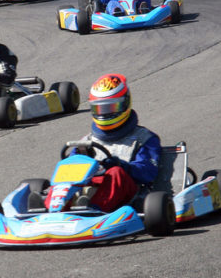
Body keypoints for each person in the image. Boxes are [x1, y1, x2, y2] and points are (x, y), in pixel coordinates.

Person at [59, 74, 162, 213]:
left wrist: (122, 166)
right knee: (67, 172)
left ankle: (93, 210)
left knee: (116, 172)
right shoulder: (86, 142)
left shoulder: (145, 138)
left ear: (125, 103)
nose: (105, 114)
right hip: (90, 187)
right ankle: (53, 208)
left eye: (110, 108)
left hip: (130, 192)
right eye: (100, 109)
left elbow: (147, 172)